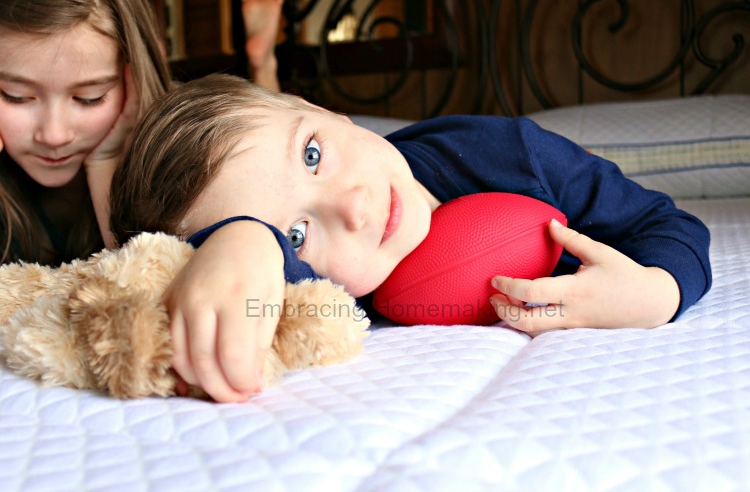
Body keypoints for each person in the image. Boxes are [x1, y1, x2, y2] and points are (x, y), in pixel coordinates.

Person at [109, 73, 712, 403]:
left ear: (320, 107)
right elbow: (260, 303)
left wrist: (657, 292)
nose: (353, 204)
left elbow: (667, 225)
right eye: (296, 233)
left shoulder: (513, 155)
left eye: (314, 153)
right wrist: (245, 244)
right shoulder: (330, 286)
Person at [0, 0, 171, 265]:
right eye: (15, 96)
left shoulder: (187, 163)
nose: (54, 135)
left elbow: (147, 282)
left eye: (89, 98)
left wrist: (106, 163)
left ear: (133, 75)